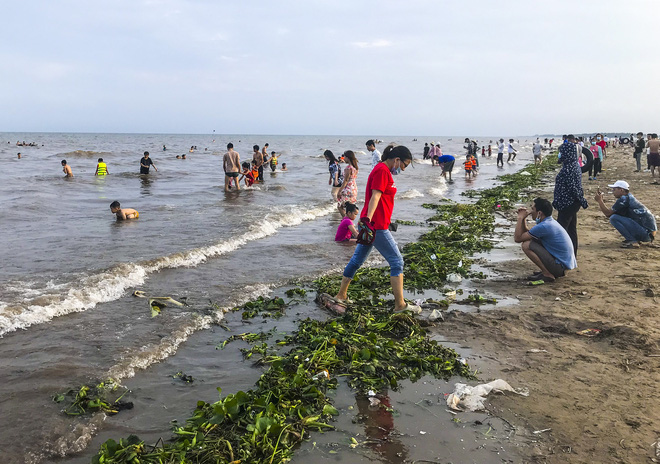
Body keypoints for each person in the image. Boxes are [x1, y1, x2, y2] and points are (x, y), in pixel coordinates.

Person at [331, 144, 421, 314]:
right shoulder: (382, 171)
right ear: (397, 160)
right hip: (376, 226)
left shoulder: (382, 169)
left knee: (357, 260)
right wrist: (368, 219)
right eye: (404, 165)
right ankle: (400, 305)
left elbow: (382, 199)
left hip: (376, 224)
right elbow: (376, 196)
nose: (403, 169)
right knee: (397, 262)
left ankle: (341, 295)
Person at [514, 197, 577, 282]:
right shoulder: (549, 221)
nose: (531, 211)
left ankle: (547, 274)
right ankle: (547, 271)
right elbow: (528, 234)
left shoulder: (544, 226)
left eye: (533, 209)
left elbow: (518, 238)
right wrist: (524, 219)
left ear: (539, 213)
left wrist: (520, 218)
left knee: (526, 245)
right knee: (530, 241)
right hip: (563, 265)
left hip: (560, 267)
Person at [594, 180, 657, 248]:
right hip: (649, 233)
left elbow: (608, 213)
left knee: (614, 218)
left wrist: (600, 201)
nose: (613, 192)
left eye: (614, 190)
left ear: (621, 190)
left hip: (646, 233)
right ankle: (634, 239)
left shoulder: (624, 199)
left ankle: (633, 241)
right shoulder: (628, 197)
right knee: (616, 216)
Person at [553, 135, 588, 256]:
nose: (560, 155)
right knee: (571, 230)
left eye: (562, 152)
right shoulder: (573, 165)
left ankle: (562, 259)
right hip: (570, 203)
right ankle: (572, 255)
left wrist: (582, 200)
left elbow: (574, 188)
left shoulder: (569, 168)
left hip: (568, 204)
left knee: (560, 232)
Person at [337, 150, 359, 216]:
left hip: (348, 189)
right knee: (349, 207)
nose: (344, 159)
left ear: (348, 158)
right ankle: (349, 221)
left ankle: (346, 221)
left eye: (345, 157)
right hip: (354, 188)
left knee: (340, 206)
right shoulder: (355, 167)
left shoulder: (348, 168)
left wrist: (339, 191)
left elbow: (346, 180)